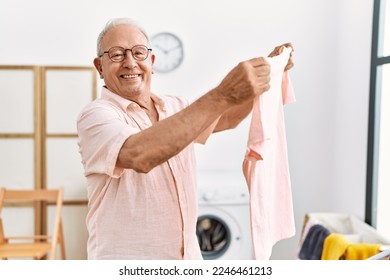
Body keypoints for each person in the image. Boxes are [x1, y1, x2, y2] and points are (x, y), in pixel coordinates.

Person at [77, 17, 294, 260]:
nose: (130, 63)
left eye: (139, 53)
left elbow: (227, 118)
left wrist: (267, 78)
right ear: (99, 67)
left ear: (152, 61)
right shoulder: (95, 116)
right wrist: (223, 93)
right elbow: (139, 154)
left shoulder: (175, 106)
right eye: (117, 55)